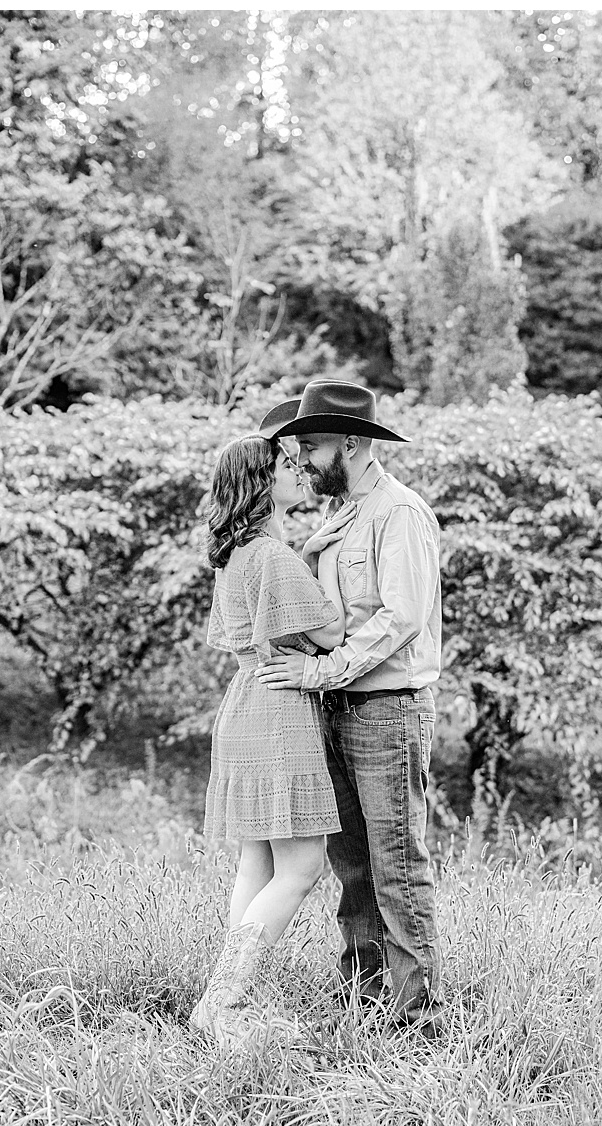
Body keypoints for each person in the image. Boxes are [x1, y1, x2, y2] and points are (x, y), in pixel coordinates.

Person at [257, 379, 445, 1036]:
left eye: (311, 444)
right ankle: (362, 999)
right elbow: (331, 616)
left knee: (396, 862)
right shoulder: (341, 516)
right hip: (336, 708)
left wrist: (318, 670)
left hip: (387, 710)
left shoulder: (400, 514)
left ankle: (417, 1020)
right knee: (353, 864)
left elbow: (399, 618)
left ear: (354, 443)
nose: (303, 458)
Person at [189, 430, 347, 1048]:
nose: (299, 469)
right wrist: (320, 554)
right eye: (286, 465)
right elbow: (330, 634)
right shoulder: (276, 558)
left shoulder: (238, 554)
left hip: (245, 705)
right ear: (262, 483)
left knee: (256, 861)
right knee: (302, 866)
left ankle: (230, 997)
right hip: (280, 712)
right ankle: (220, 1000)